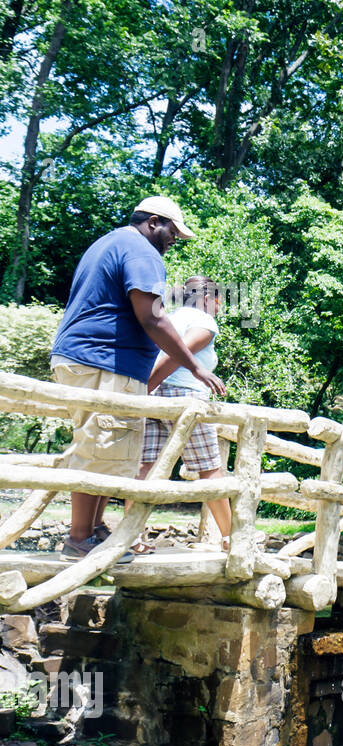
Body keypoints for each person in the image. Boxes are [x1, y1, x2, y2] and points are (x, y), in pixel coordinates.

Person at [49, 196, 226, 561]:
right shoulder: (142, 251)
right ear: (154, 222)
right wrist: (195, 367)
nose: (173, 241)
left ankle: (95, 530)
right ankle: (79, 538)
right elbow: (152, 317)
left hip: (92, 358)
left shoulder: (107, 243)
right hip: (103, 360)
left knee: (111, 452)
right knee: (100, 447)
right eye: (172, 233)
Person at [136, 276, 231, 551]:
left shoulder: (171, 317)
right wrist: (149, 386)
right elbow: (178, 354)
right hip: (185, 398)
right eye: (218, 300)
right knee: (209, 468)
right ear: (206, 299)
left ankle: (132, 538)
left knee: (145, 466)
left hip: (156, 398)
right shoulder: (204, 321)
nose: (220, 306)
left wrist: (147, 391)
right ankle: (230, 537)